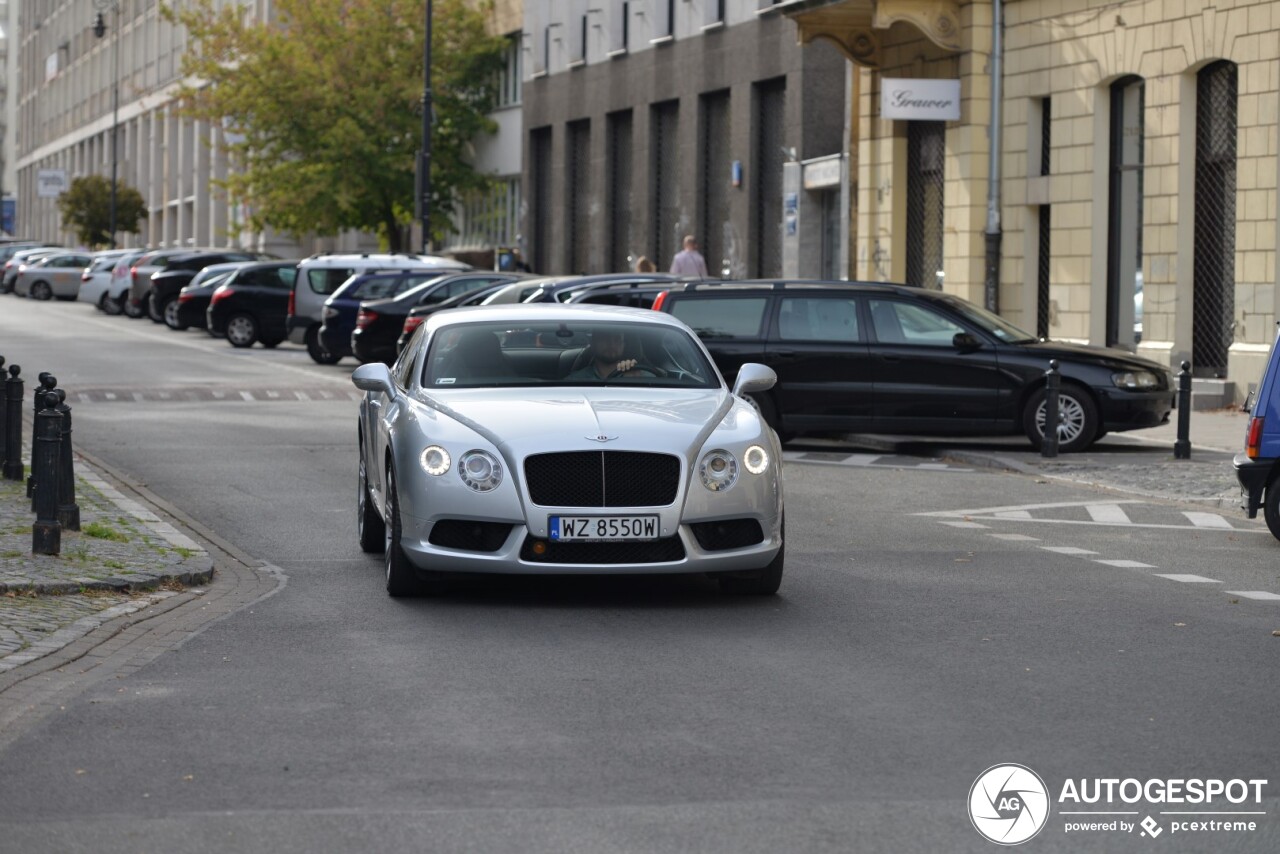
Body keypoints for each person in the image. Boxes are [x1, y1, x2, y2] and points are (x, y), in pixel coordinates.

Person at [567, 329, 652, 380]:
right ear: (593, 343)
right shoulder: (577, 379)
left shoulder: (642, 376)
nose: (611, 344)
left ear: (624, 345)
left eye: (617, 339)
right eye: (604, 338)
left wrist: (635, 382)